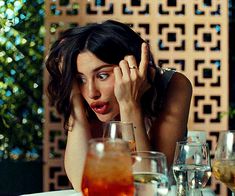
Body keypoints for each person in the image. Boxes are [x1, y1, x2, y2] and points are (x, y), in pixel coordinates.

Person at [45, 20, 192, 191]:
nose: (92, 92)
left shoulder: (174, 85)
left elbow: (147, 187)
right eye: (80, 79)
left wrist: (129, 104)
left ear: (132, 67)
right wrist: (74, 99)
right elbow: (83, 183)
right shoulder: (82, 94)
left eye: (102, 75)